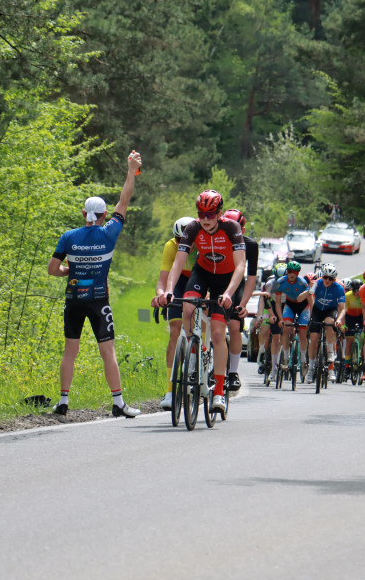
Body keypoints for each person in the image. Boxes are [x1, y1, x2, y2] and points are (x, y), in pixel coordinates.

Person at [48, 151, 143, 418]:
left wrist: (72, 270)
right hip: (99, 300)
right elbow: (124, 200)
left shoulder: (68, 237)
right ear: (103, 215)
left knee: (70, 351)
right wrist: (130, 170)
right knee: (107, 351)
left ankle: (63, 401)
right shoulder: (109, 232)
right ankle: (118, 402)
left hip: (73, 301)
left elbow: (52, 269)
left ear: (83, 214)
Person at [163, 190, 246, 414]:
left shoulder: (231, 228)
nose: (206, 219)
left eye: (210, 214)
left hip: (226, 279)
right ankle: (192, 357)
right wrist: (169, 290)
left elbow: (240, 266)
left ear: (219, 213)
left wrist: (229, 293)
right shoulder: (193, 228)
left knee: (218, 333)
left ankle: (219, 392)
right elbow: (178, 263)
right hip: (203, 273)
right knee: (187, 310)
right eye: (201, 214)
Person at [151, 216, 196, 410]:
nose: (182, 244)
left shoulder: (202, 245)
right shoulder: (170, 246)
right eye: (179, 240)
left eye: (186, 240)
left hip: (198, 282)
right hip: (178, 283)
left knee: (194, 325)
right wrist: (161, 295)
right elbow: (163, 278)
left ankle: (198, 363)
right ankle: (170, 392)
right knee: (175, 332)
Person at [223, 209, 258, 391]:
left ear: (243, 230)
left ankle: (233, 372)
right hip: (216, 282)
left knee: (235, 326)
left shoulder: (250, 245)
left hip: (236, 286)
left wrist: (243, 304)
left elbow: (251, 278)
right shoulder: (216, 240)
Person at [306, 263, 346, 383]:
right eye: (325, 277)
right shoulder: (317, 283)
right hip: (318, 310)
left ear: (334, 279)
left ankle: (330, 354)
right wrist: (310, 289)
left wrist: (339, 320)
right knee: (313, 338)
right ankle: (311, 369)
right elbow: (309, 297)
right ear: (322, 276)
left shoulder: (339, 287)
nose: (327, 280)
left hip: (330, 310)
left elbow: (343, 308)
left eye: (331, 278)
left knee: (330, 323)